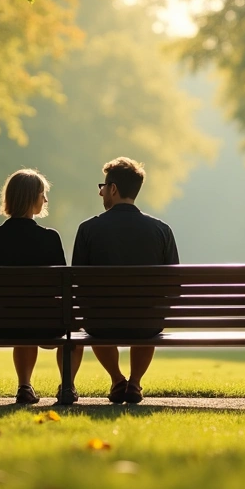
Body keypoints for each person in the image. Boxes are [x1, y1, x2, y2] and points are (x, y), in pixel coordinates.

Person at [72, 156, 179, 404]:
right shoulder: (162, 230)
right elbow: (174, 287)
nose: (101, 193)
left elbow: (77, 283)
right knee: (148, 314)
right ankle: (135, 383)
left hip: (101, 324)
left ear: (113, 188)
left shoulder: (88, 229)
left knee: (95, 318)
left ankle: (118, 380)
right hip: (146, 323)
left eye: (102, 187)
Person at [0, 168, 83, 404]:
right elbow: (62, 289)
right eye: (42, 194)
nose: (45, 199)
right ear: (30, 197)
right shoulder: (50, 238)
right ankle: (67, 385)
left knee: (22, 321)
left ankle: (24, 386)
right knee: (74, 330)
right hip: (45, 323)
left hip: (4, 323)